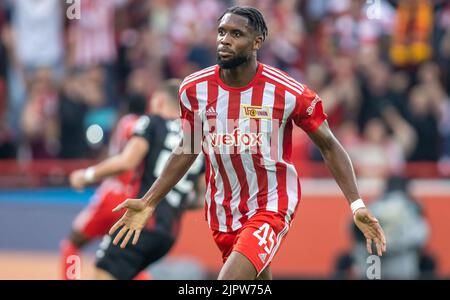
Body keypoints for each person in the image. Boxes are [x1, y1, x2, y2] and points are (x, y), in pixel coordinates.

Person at [109, 6, 387, 280]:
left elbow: (329, 145)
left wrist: (356, 205)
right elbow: (188, 148)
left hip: (271, 205)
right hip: (223, 210)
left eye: (236, 34)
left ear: (257, 42)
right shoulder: (194, 89)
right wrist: (148, 202)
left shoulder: (288, 92)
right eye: (221, 32)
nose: (225, 40)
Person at [92, 79, 205, 280]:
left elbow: (126, 162)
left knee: (103, 274)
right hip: (168, 234)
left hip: (141, 220)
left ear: (160, 101)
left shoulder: (152, 121)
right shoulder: (197, 138)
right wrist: (172, 205)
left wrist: (87, 175)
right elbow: (200, 198)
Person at [61, 92, 148, 279]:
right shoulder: (151, 127)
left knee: (72, 243)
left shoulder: (128, 123)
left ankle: (71, 277)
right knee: (127, 260)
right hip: (134, 199)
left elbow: (123, 160)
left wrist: (89, 175)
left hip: (112, 196)